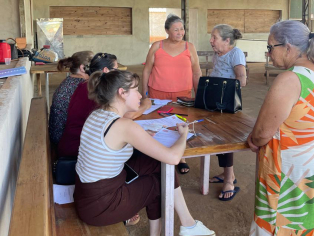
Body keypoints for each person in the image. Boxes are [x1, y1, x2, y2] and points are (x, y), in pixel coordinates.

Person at [74, 70, 215, 236]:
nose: (140, 95)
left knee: (154, 163)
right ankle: (187, 227)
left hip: (85, 196)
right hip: (102, 206)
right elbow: (174, 158)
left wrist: (140, 137)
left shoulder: (97, 114)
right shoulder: (124, 125)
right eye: (135, 90)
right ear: (122, 93)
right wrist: (183, 135)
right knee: (157, 182)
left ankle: (188, 225)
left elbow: (109, 146)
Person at [247, 20, 314, 235]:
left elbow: (262, 133)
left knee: (283, 225)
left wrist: (254, 140)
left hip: (291, 172)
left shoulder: (290, 79)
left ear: (288, 47)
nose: (268, 53)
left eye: (270, 47)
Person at [57, 53, 152, 158]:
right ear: (106, 70)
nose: (118, 75)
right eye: (116, 70)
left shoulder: (86, 84)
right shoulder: (98, 90)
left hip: (78, 143)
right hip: (78, 148)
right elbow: (126, 116)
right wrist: (145, 105)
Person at [142, 14, 201, 174]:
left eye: (182, 29)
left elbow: (196, 72)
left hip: (183, 95)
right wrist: (144, 94)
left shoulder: (190, 47)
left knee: (181, 125)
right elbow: (147, 70)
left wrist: (200, 95)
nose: (180, 32)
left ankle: (181, 157)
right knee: (157, 125)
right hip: (157, 93)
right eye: (176, 29)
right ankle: (158, 156)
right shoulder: (157, 46)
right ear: (167, 30)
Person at [207, 24, 247, 201]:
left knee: (226, 142)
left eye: (214, 37)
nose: (211, 41)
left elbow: (242, 80)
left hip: (227, 104)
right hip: (215, 102)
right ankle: (226, 174)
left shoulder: (235, 53)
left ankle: (229, 181)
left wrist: (224, 91)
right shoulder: (217, 55)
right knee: (216, 139)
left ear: (227, 40)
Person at [48, 51, 94, 144]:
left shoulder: (69, 81)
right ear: (82, 68)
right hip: (64, 139)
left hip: (57, 134)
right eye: (94, 66)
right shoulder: (83, 86)